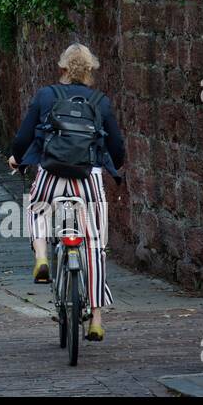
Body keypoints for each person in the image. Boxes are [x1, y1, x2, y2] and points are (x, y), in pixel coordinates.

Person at [7, 43, 125, 341]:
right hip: (89, 178)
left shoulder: (46, 95)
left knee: (36, 207)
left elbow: (23, 136)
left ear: (62, 68)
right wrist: (114, 164)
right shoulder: (101, 101)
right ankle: (96, 318)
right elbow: (118, 149)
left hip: (52, 173)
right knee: (95, 244)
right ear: (90, 72)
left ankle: (42, 257)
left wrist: (16, 157)